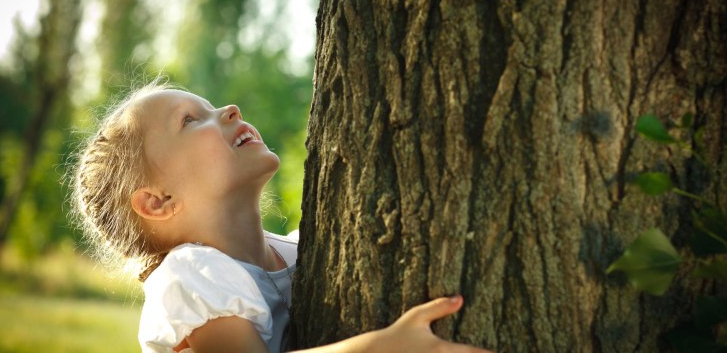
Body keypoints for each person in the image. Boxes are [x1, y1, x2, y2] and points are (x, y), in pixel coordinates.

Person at [70, 78, 489, 353]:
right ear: (158, 202)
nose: (231, 109)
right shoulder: (190, 278)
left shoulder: (298, 251)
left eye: (212, 105)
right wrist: (382, 346)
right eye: (191, 120)